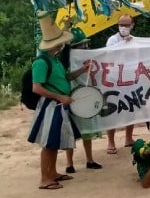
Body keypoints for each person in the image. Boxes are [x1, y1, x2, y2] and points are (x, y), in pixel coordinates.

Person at [27, 11, 88, 189]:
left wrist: (82, 71)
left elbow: (65, 78)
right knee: (48, 143)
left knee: (53, 142)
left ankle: (52, 173)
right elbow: (36, 87)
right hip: (51, 106)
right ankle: (44, 179)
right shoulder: (41, 62)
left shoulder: (54, 60)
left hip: (59, 105)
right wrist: (59, 96)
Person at [60, 28, 102, 174]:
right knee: (71, 131)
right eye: (81, 45)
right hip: (71, 99)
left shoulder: (88, 60)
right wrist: (83, 70)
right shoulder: (66, 63)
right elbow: (67, 77)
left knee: (87, 132)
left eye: (85, 45)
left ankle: (89, 160)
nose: (85, 48)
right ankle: (69, 163)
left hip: (86, 99)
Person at [106, 14, 136, 154]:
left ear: (132, 25)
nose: (123, 27)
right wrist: (124, 43)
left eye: (126, 24)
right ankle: (111, 142)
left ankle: (128, 138)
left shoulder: (135, 41)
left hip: (130, 79)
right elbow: (111, 55)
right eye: (121, 24)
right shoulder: (112, 40)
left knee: (131, 109)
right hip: (114, 80)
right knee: (112, 110)